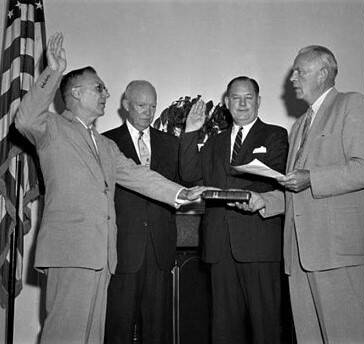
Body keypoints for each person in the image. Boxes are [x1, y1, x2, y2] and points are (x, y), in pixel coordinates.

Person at [15, 33, 205, 344]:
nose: (106, 93)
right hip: (71, 252)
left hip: (102, 255)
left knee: (92, 336)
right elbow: (24, 119)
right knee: (64, 334)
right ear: (75, 93)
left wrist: (180, 194)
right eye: (99, 88)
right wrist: (54, 72)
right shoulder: (52, 128)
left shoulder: (104, 144)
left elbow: (138, 176)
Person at [235, 46, 364, 343]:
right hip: (300, 253)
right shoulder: (299, 125)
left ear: (324, 73)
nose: (292, 78)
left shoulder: (351, 104)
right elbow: (294, 188)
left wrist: (312, 178)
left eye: (299, 71)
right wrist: (265, 200)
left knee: (347, 336)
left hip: (335, 251)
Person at [180, 76, 288, 344]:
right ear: (226, 103)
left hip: (259, 244)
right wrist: (192, 131)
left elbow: (277, 179)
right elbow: (190, 174)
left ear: (258, 101)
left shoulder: (275, 135)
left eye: (248, 97)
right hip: (220, 246)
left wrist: (252, 195)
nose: (242, 103)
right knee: (224, 328)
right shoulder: (215, 141)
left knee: (266, 327)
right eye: (236, 98)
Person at [103, 80, 179, 343]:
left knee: (159, 331)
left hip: (160, 251)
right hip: (123, 249)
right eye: (141, 105)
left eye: (153, 106)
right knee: (117, 327)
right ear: (125, 105)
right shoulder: (106, 143)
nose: (148, 112)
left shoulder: (171, 144)